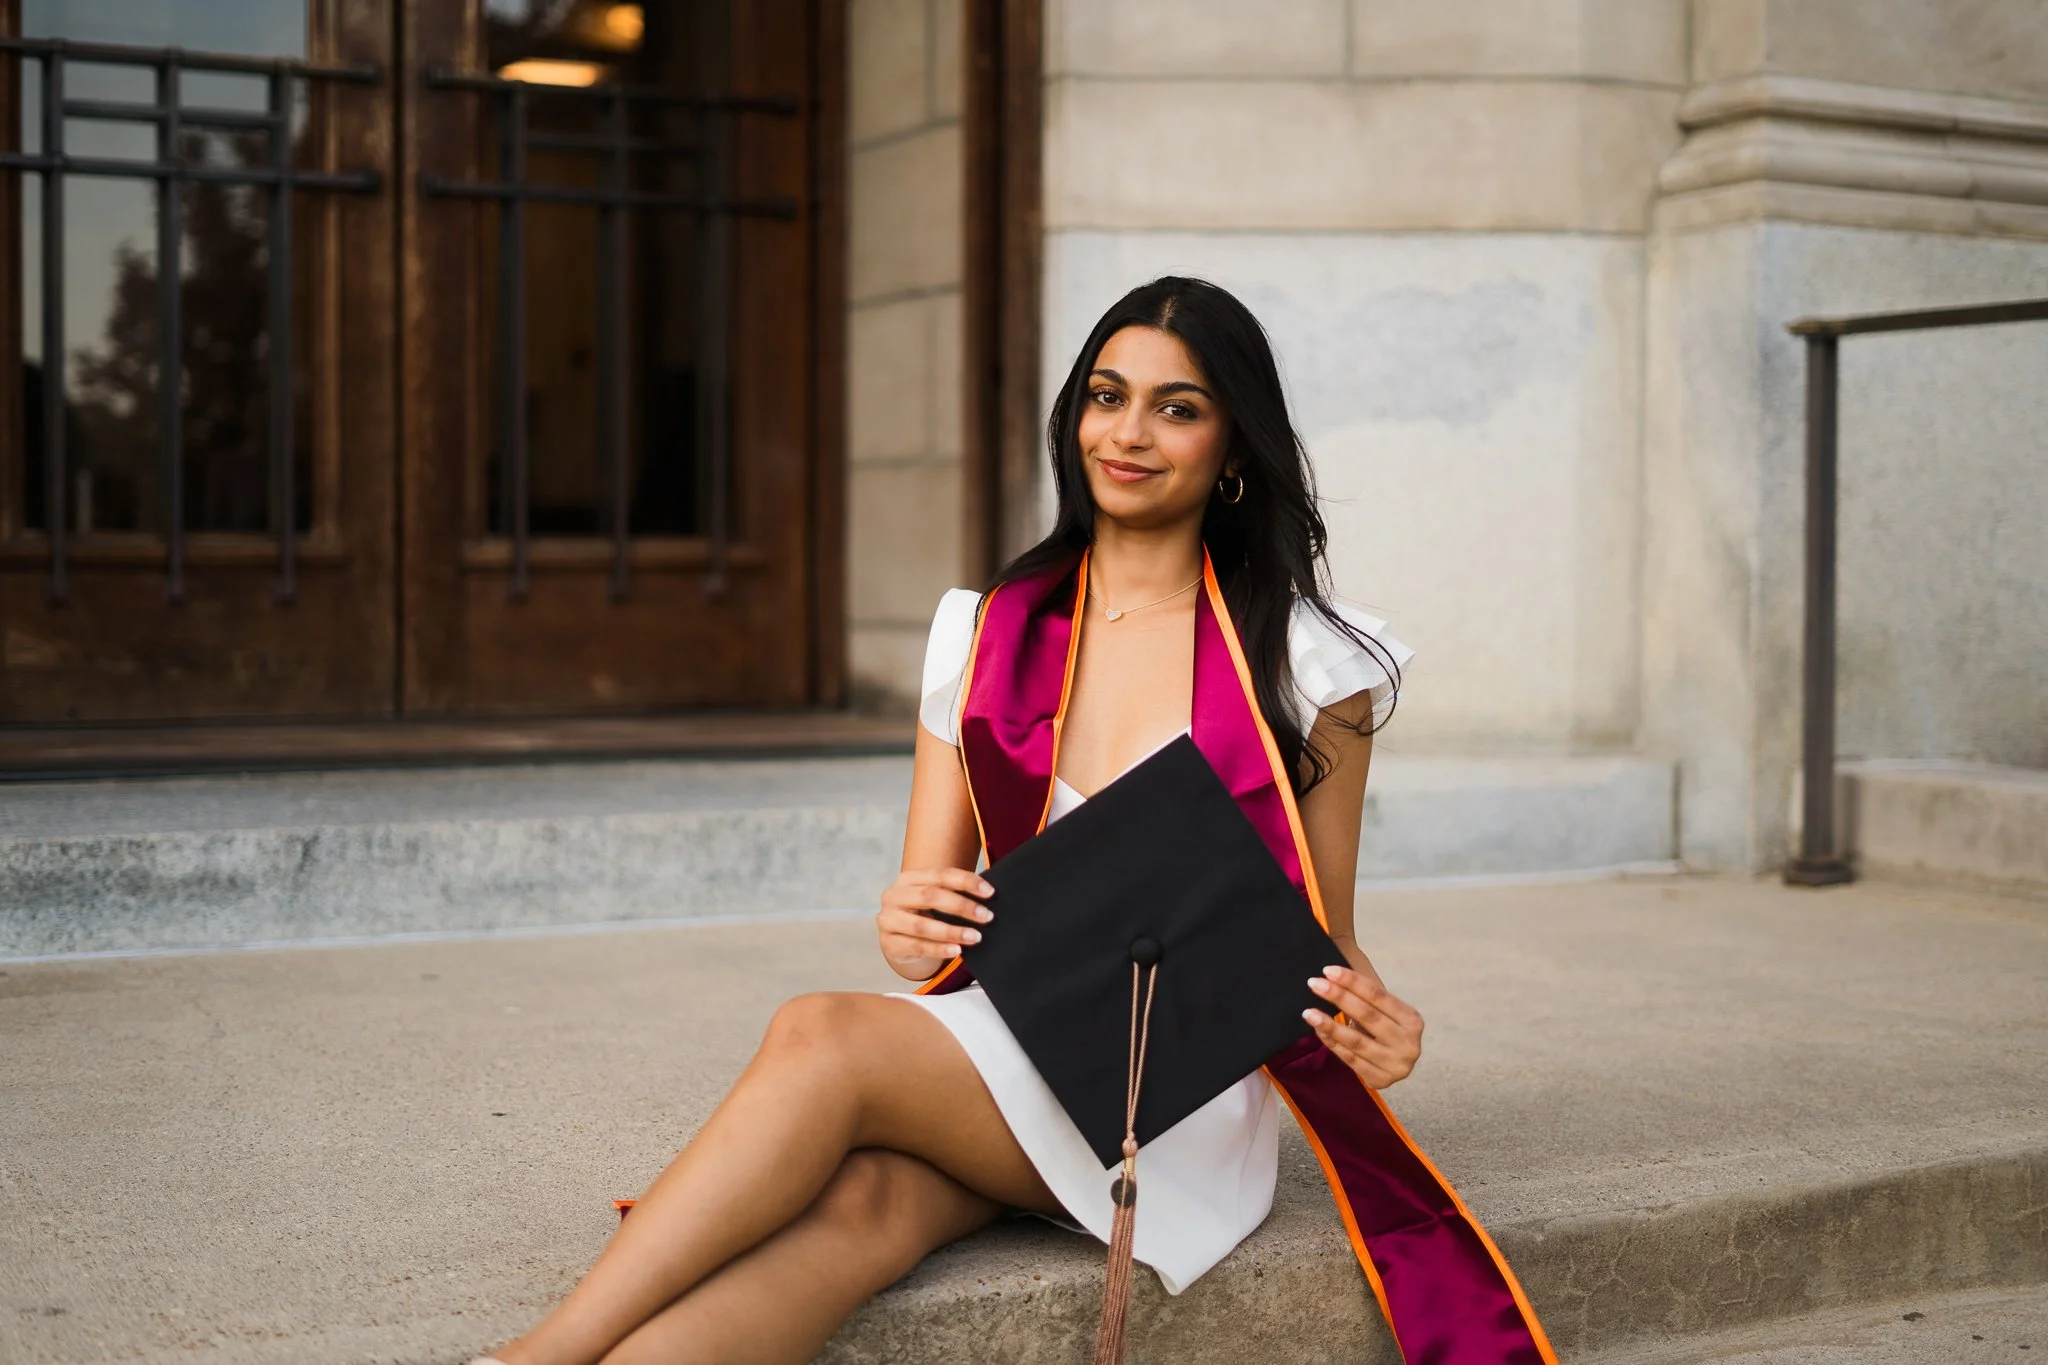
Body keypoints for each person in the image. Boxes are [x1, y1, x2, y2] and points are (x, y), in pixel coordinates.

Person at [478, 277, 1554, 1365]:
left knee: (820, 1033)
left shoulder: (1311, 664)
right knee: (861, 1212)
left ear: (1234, 446)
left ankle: (536, 1357)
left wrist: (1380, 1029)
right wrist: (908, 922)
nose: (1127, 433)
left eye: (1177, 408)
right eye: (1106, 396)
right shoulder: (985, 630)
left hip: (1167, 1101)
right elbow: (924, 926)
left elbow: (1324, 939)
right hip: (1011, 1032)